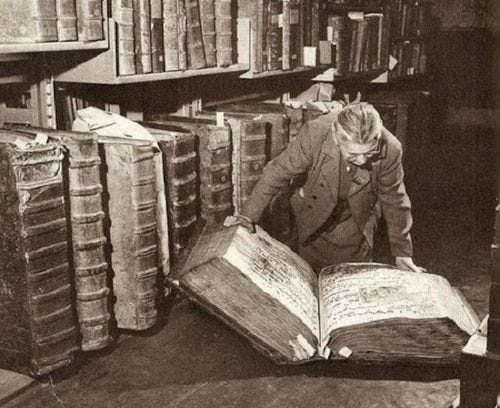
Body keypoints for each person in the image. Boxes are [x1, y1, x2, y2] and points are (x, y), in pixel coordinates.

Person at [225, 102, 425, 273]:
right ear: (337, 139)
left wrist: (402, 253)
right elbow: (276, 173)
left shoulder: (391, 148)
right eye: (354, 155)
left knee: (349, 279)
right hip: (311, 216)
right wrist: (247, 216)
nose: (363, 161)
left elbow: (395, 200)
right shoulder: (316, 133)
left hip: (355, 221)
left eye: (370, 153)